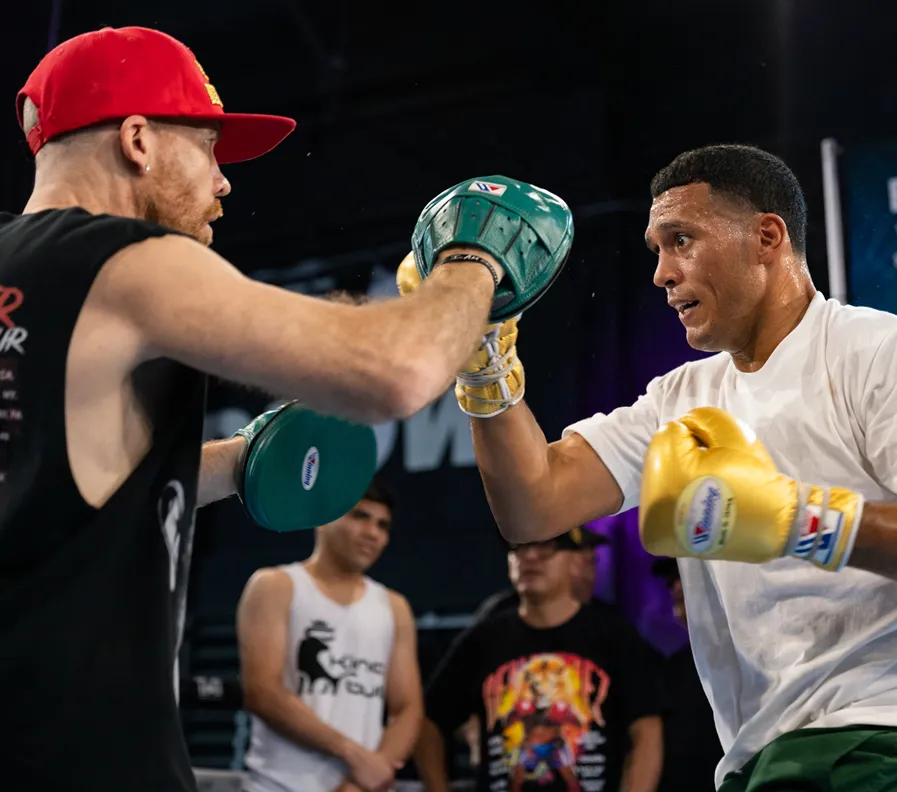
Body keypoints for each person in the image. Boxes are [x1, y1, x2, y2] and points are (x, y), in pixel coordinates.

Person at [0, 24, 571, 792]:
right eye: (206, 147)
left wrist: (238, 462)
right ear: (138, 140)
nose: (223, 181)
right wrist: (475, 263)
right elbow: (394, 372)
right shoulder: (125, 263)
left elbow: (62, 482)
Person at [453, 144, 897, 790]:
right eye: (655, 249)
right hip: (760, 758)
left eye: (681, 240)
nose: (661, 274)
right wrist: (483, 364)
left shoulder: (880, 353)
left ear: (767, 237)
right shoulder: (678, 400)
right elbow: (532, 505)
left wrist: (797, 520)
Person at [413, 531, 667, 792]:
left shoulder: (612, 634)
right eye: (518, 547)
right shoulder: (486, 637)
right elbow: (428, 721)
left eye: (546, 547)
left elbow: (646, 727)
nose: (530, 557)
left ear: (574, 560)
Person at [236, 480, 421, 792]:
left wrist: (368, 777)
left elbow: (408, 708)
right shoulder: (275, 586)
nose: (373, 533)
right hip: (278, 785)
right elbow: (262, 692)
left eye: (382, 525)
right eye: (360, 517)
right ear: (324, 517)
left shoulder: (395, 607)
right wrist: (353, 754)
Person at [650, 558, 721, 792]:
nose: (677, 587)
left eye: (686, 576)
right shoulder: (669, 671)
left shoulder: (756, 661)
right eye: (672, 580)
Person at [472, 525, 613, 623]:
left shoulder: (608, 625)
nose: (530, 556)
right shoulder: (495, 616)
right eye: (520, 545)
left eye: (592, 560)